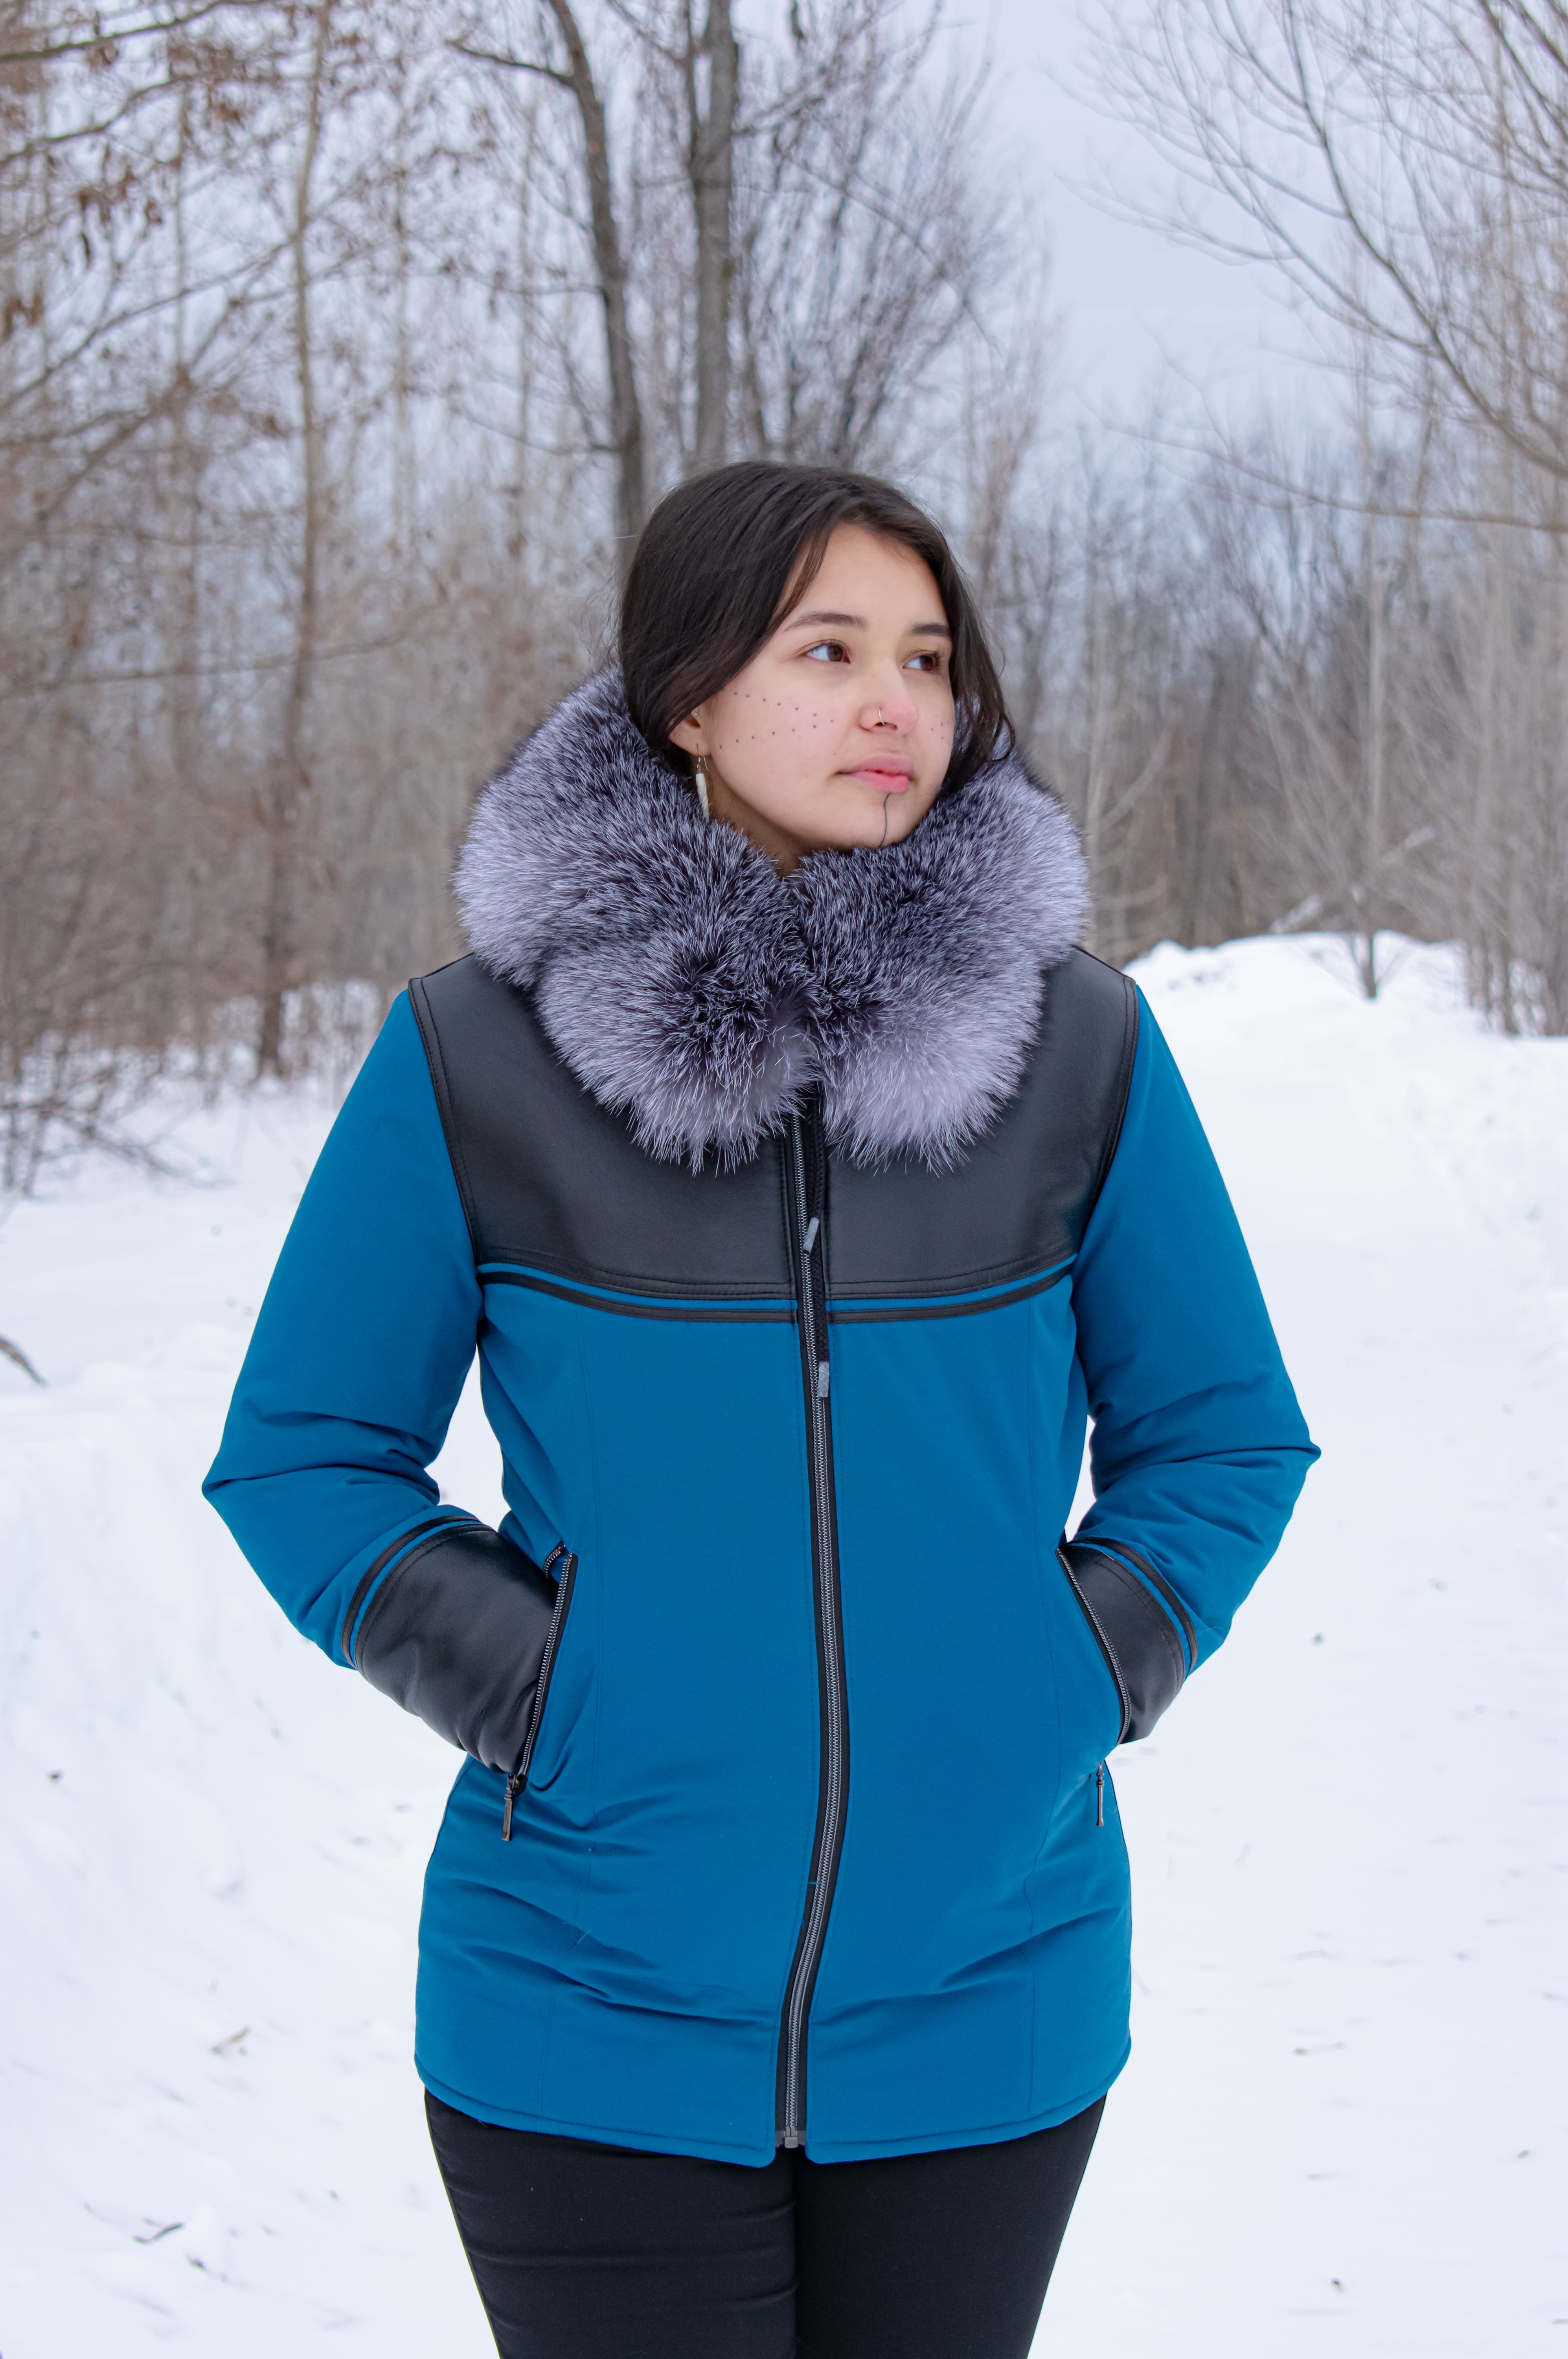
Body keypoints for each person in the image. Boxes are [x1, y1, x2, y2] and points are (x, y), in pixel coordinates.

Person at [206, 461, 1316, 2358]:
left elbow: (1223, 1433)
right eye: (828, 651)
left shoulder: (1078, 1048)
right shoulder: (477, 1053)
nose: (895, 704)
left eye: (927, 658)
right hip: (580, 2008)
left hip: (991, 1992)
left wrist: (1067, 1670)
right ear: (686, 700)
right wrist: (549, 1694)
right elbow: (305, 1456)